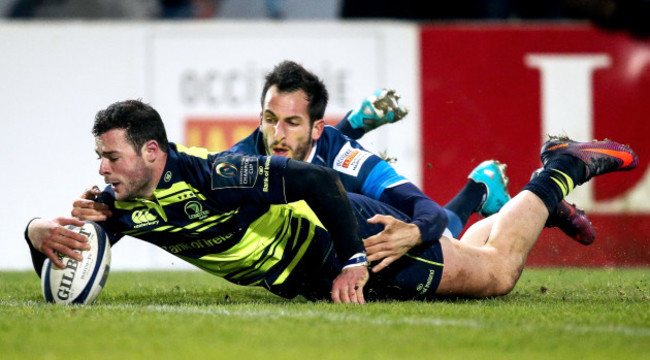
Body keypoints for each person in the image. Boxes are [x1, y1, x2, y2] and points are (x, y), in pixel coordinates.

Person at [24, 98, 638, 303]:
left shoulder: (215, 174)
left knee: (499, 274)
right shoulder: (122, 204)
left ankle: (562, 168)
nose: (101, 170)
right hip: (316, 270)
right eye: (100, 158)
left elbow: (316, 182)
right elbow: (73, 266)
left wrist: (351, 259)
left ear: (153, 152)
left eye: (111, 157)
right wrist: (35, 233)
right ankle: (498, 196)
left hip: (356, 240)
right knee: (468, 249)